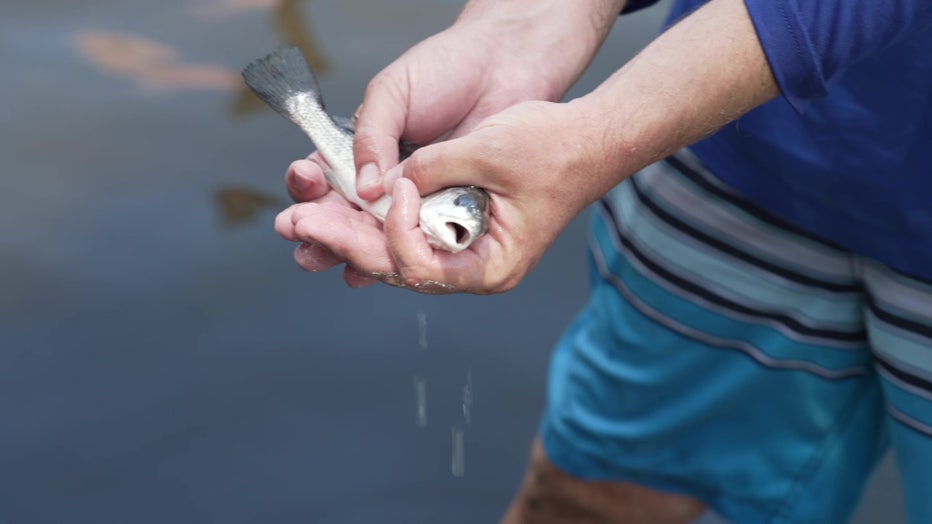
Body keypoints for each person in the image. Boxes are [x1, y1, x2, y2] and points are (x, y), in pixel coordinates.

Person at [273, 0, 932, 521]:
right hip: (735, 139)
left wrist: (597, 138)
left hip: (670, 107)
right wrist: (516, 26)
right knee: (585, 496)